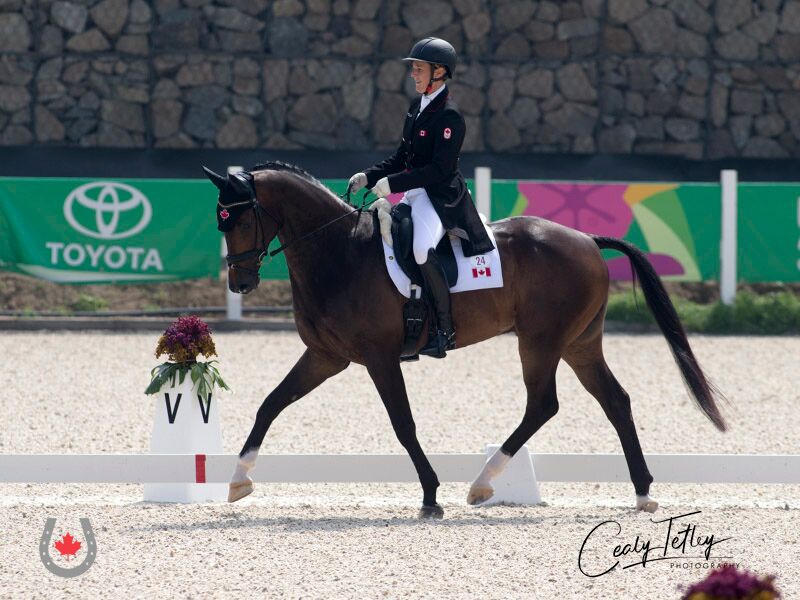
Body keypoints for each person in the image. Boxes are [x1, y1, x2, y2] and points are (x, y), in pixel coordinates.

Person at [348, 37, 495, 359]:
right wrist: (369, 176)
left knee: (420, 249)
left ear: (438, 72)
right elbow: (402, 157)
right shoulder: (417, 107)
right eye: (413, 68)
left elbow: (440, 170)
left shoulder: (450, 116)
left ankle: (444, 329)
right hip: (415, 193)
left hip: (441, 197)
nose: (413, 74)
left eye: (419, 69)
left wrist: (393, 183)